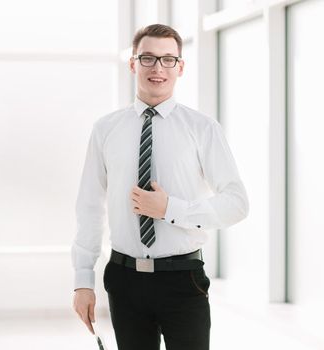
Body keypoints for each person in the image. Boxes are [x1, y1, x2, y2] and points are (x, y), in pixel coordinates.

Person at [71, 24, 249, 350]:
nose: (158, 68)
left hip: (183, 278)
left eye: (168, 59)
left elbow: (236, 203)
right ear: (133, 63)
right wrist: (83, 281)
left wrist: (170, 209)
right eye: (149, 58)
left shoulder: (202, 128)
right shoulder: (106, 129)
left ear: (180, 67)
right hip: (124, 280)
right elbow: (90, 206)